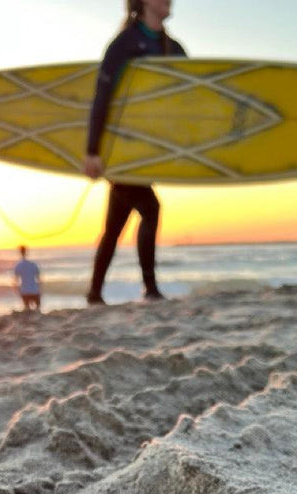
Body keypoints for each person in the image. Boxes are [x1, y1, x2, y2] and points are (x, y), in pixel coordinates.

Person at [83, 0, 186, 305]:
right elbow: (101, 97)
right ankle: (150, 289)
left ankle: (94, 292)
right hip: (122, 150)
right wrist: (92, 150)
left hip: (149, 153)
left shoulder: (174, 48)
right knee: (150, 209)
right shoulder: (125, 43)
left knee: (114, 226)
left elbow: (190, 102)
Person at [13, 245, 42, 312]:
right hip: (34, 290)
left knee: (27, 309)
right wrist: (39, 290)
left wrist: (17, 290)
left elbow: (16, 281)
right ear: (26, 252)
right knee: (38, 309)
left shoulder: (19, 265)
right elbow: (39, 279)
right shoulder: (33, 264)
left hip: (25, 290)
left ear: (20, 252)